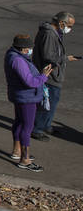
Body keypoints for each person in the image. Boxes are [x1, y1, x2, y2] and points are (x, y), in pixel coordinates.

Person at [6, 33, 53, 172]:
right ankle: (25, 159)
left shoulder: (12, 55)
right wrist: (43, 76)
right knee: (27, 126)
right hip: (26, 97)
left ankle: (17, 151)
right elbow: (30, 81)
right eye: (29, 48)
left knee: (19, 122)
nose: (30, 50)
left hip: (20, 95)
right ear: (24, 49)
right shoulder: (18, 60)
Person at [32, 11, 78, 141]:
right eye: (69, 25)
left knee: (52, 101)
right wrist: (65, 59)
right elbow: (48, 56)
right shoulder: (49, 34)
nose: (70, 28)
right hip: (49, 75)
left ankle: (46, 125)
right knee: (47, 102)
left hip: (53, 75)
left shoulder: (54, 33)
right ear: (61, 23)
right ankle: (37, 129)